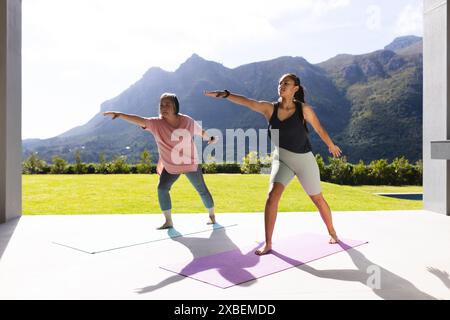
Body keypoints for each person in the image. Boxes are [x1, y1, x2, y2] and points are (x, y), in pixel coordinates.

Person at [204, 73, 342, 255]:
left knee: (317, 199)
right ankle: (268, 243)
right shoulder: (270, 109)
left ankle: (332, 231)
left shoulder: (304, 109)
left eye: (286, 83)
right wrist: (226, 94)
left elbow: (319, 128)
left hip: (304, 161)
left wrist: (331, 145)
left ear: (295, 88)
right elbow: (247, 101)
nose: (282, 85)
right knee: (272, 197)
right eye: (280, 83)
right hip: (282, 159)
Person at [104, 92, 217, 229]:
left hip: (190, 163)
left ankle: (212, 216)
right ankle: (168, 221)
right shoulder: (156, 123)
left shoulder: (187, 121)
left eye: (167, 104)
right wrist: (120, 115)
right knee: (162, 189)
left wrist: (211, 138)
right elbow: (140, 119)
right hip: (171, 166)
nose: (163, 107)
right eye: (161, 105)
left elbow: (202, 132)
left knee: (202, 190)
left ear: (175, 106)